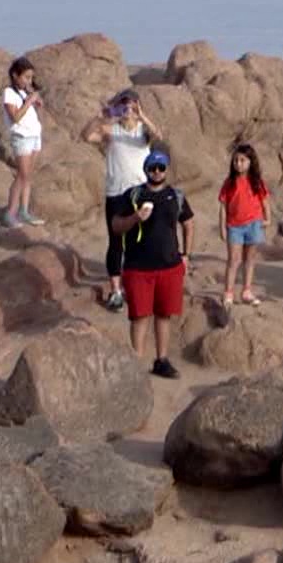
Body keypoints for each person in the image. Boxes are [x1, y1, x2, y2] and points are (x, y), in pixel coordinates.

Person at [110, 149, 194, 379]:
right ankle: (136, 364)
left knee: (163, 314)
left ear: (166, 169)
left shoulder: (176, 196)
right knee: (139, 315)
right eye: (152, 168)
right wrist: (136, 217)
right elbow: (116, 225)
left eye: (161, 168)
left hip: (169, 265)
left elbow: (188, 223)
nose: (156, 172)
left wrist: (186, 254)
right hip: (138, 266)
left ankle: (161, 360)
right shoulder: (133, 195)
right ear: (145, 169)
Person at [82, 89, 165, 311]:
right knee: (116, 242)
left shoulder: (142, 132)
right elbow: (86, 137)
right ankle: (116, 291)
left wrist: (142, 115)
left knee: (141, 241)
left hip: (139, 193)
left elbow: (159, 134)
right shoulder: (111, 130)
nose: (128, 109)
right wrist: (101, 116)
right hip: (116, 193)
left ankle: (138, 286)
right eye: (124, 105)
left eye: (132, 105)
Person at [218, 143, 271, 309]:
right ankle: (228, 292)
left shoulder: (257, 182)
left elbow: (265, 201)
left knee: (250, 259)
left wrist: (267, 219)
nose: (238, 164)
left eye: (242, 160)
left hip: (254, 223)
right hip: (234, 226)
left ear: (250, 162)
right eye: (236, 160)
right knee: (234, 260)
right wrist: (222, 227)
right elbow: (223, 207)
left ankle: (247, 291)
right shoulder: (229, 183)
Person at [0, 57, 45, 227]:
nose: (29, 81)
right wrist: (29, 102)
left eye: (31, 77)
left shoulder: (25, 92)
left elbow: (31, 110)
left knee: (28, 176)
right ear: (14, 75)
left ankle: (24, 211)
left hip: (34, 135)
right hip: (21, 137)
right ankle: (10, 213)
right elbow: (16, 117)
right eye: (26, 77)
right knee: (22, 175)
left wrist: (36, 101)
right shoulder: (9, 93)